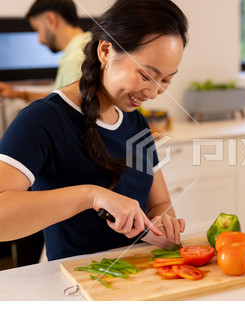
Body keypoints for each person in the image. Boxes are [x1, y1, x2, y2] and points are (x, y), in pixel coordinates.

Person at [0, 0, 188, 261]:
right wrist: (92, 196)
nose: (155, 93)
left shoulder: (136, 123)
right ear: (106, 51)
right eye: (147, 75)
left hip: (142, 275)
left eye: (166, 80)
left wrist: (163, 224)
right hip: (78, 284)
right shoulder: (42, 119)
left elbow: (160, 203)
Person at [0, 0, 91, 102]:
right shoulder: (87, 43)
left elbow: (65, 108)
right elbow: (62, 98)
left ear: (51, 19)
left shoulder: (74, 61)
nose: (40, 40)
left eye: (37, 29)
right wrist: (17, 94)